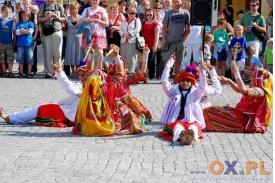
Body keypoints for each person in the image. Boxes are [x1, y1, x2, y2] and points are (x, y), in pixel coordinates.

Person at [0, 64, 83, 127]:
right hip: (68, 112)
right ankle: (12, 117)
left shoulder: (87, 87)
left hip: (68, 116)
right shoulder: (86, 85)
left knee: (41, 109)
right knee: (44, 106)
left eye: (82, 75)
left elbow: (71, 89)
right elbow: (73, 86)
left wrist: (61, 72)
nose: (80, 77)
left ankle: (10, 118)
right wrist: (59, 72)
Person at [204, 60, 273, 133]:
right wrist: (229, 81)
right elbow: (239, 90)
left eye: (253, 77)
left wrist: (236, 72)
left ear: (258, 80)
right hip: (240, 115)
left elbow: (243, 90)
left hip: (245, 120)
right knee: (212, 110)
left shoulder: (260, 91)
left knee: (212, 112)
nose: (250, 78)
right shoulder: (256, 89)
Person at [159, 58, 207, 144]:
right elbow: (164, 82)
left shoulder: (196, 93)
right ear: (179, 81)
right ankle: (182, 136)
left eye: (188, 80)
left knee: (194, 128)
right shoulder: (173, 92)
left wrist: (202, 70)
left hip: (192, 120)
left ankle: (191, 137)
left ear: (192, 82)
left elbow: (203, 85)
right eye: (183, 80)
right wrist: (169, 64)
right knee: (177, 127)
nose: (185, 83)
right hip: (178, 120)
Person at [162, 0, 190, 83]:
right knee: (166, 59)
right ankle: (165, 78)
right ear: (172, 3)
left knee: (179, 60)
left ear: (181, 2)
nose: (176, 3)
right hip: (170, 40)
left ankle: (176, 79)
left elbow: (189, 28)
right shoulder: (168, 13)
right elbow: (164, 27)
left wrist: (183, 38)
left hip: (180, 41)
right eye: (174, 2)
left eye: (178, 2)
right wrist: (164, 39)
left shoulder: (185, 13)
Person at [39, 0, 66, 78]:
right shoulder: (43, 6)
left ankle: (57, 72)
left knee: (58, 53)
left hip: (57, 31)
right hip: (47, 32)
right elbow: (39, 19)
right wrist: (46, 18)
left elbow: (65, 19)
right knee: (48, 53)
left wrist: (57, 17)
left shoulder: (59, 6)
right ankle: (48, 72)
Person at [80, 0, 109, 70]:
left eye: (96, 0)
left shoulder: (102, 10)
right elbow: (80, 21)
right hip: (88, 35)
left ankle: (97, 73)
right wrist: (86, 19)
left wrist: (96, 20)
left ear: (99, 1)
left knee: (99, 54)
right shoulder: (86, 10)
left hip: (99, 35)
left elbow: (107, 24)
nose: (94, 1)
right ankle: (89, 73)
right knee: (89, 53)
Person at [119, 7, 141, 73]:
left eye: (133, 13)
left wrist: (129, 33)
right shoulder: (124, 21)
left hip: (132, 42)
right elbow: (120, 30)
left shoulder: (137, 20)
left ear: (135, 14)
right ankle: (124, 72)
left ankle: (132, 72)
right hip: (123, 41)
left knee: (132, 58)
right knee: (123, 57)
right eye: (130, 13)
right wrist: (123, 34)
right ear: (127, 14)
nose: (132, 15)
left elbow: (137, 29)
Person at [64, 1, 83, 78]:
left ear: (78, 9)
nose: (74, 10)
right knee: (71, 54)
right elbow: (65, 29)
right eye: (73, 9)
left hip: (79, 38)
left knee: (78, 54)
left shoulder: (81, 18)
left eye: (76, 9)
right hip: (70, 38)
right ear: (70, 10)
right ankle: (73, 71)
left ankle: (78, 71)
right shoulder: (67, 18)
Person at [16, 10, 34, 78]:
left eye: (27, 16)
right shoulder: (18, 24)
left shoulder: (31, 23)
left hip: (29, 45)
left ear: (29, 17)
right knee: (20, 59)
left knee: (30, 59)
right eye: (24, 15)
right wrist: (26, 31)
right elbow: (17, 33)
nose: (25, 17)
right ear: (21, 16)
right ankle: (21, 72)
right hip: (20, 45)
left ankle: (29, 73)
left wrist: (22, 30)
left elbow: (30, 32)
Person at [142, 8, 159, 80]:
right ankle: (146, 74)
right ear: (145, 15)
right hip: (145, 44)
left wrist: (155, 45)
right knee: (146, 60)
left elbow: (157, 35)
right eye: (147, 14)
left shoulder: (155, 24)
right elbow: (142, 34)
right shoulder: (143, 23)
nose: (149, 16)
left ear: (153, 15)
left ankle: (151, 75)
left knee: (151, 60)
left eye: (150, 14)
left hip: (152, 44)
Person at [0, 5, 14, 78]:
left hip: (9, 42)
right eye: (6, 12)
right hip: (1, 42)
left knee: (10, 58)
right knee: (2, 58)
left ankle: (10, 72)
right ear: (2, 11)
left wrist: (14, 40)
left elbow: (14, 31)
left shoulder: (11, 21)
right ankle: (4, 72)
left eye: (9, 12)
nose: (8, 13)